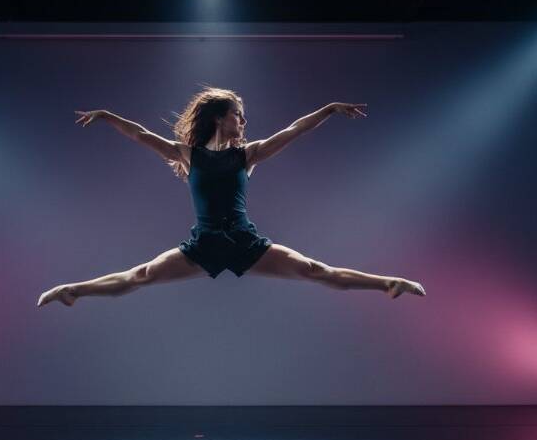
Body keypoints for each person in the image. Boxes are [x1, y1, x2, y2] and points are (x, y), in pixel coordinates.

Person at [37, 87, 425, 308]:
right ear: (220, 117)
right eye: (238, 114)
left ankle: (388, 282)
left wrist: (328, 109)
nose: (243, 121)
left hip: (243, 241)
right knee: (140, 276)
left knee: (314, 270)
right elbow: (141, 135)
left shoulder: (248, 154)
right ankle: (72, 290)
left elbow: (293, 130)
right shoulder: (188, 155)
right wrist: (107, 116)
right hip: (203, 243)